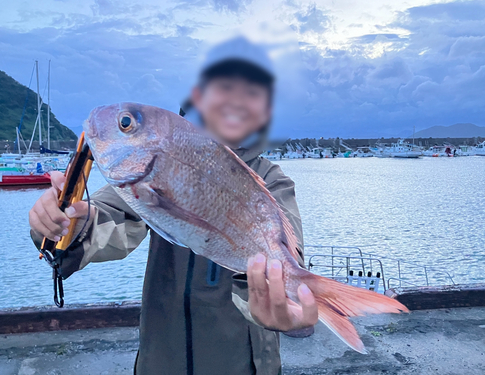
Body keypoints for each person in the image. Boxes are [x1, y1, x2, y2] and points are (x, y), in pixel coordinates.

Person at [29, 36, 318, 375]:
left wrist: (285, 303)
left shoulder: (270, 179)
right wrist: (66, 222)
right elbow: (109, 218)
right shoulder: (160, 162)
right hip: (160, 363)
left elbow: (284, 260)